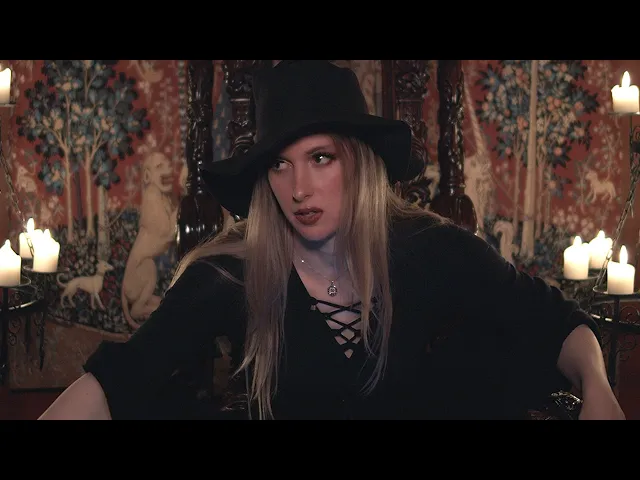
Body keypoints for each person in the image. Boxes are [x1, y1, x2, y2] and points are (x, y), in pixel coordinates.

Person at [39, 60, 624, 420]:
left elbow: (556, 323)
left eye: (320, 158)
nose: (299, 188)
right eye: (280, 164)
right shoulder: (230, 273)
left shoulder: (432, 247)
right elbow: (118, 380)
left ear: (359, 162)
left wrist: (599, 390)